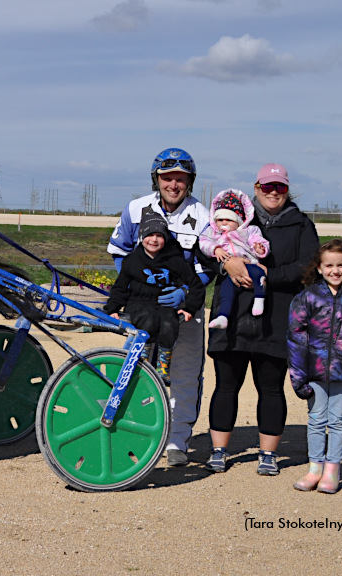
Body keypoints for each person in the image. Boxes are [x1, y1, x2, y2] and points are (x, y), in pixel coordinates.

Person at [204, 163, 320, 476]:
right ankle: (219, 450)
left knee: (271, 387)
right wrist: (226, 263)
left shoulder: (300, 224)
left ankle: (267, 454)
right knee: (226, 384)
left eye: (279, 187)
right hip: (232, 314)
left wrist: (271, 274)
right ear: (256, 188)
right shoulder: (234, 216)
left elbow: (309, 265)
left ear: (287, 190)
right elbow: (204, 250)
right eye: (267, 186)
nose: (273, 192)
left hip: (278, 315)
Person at [108, 148, 214, 466]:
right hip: (143, 309)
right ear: (156, 179)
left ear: (189, 181)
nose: (173, 184)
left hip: (184, 309)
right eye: (167, 177)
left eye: (180, 178)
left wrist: (185, 293)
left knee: (184, 374)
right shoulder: (136, 208)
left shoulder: (204, 216)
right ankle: (135, 432)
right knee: (134, 367)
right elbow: (119, 251)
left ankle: (177, 441)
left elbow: (209, 267)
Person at [287, 239, 342, 494]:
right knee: (316, 420)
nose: (335, 270)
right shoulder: (306, 298)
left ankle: (332, 470)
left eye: (340, 265)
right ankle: (314, 468)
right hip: (313, 370)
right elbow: (296, 338)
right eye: (329, 265)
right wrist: (298, 375)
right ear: (319, 267)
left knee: (337, 421)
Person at [104, 212, 205, 383]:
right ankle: (142, 360)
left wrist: (189, 307)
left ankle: (163, 364)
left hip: (164, 304)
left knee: (168, 321)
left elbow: (196, 286)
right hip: (138, 304)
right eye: (150, 234)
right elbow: (120, 287)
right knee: (148, 319)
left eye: (159, 235)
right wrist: (112, 308)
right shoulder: (132, 260)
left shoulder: (175, 261)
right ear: (142, 236)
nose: (154, 240)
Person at [199, 188, 270, 329]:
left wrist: (260, 248)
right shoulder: (212, 233)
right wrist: (215, 249)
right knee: (226, 289)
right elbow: (203, 242)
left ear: (238, 221)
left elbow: (259, 241)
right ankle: (223, 316)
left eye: (228, 220)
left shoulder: (249, 230)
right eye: (219, 220)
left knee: (258, 274)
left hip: (249, 262)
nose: (223, 223)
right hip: (230, 271)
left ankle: (259, 299)